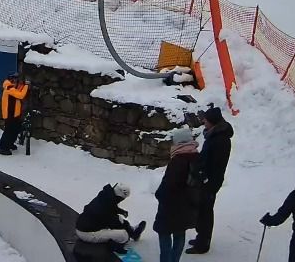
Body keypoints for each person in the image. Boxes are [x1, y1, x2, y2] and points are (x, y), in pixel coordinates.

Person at [187, 107, 233, 255]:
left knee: (205, 212)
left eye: (206, 120)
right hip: (208, 180)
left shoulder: (220, 140)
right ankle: (201, 237)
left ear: (213, 122)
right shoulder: (214, 135)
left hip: (210, 182)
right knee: (202, 210)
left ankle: (203, 244)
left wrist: (202, 175)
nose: (203, 122)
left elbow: (214, 164)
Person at [154, 127, 199, 262]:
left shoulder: (178, 160)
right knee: (180, 232)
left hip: (171, 206)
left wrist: (159, 195)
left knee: (164, 232)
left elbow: (169, 184)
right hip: (188, 204)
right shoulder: (196, 157)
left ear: (179, 142)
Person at [76, 182, 146, 251]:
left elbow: (111, 209)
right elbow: (112, 220)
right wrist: (127, 229)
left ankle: (133, 232)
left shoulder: (105, 196)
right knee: (123, 236)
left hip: (85, 227)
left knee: (118, 220)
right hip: (87, 234)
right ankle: (113, 246)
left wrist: (121, 211)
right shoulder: (106, 206)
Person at [0, 73, 30, 155]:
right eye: (15, 79)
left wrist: (23, 85)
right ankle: (3, 148)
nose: (16, 81)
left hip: (15, 113)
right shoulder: (9, 87)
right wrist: (26, 86)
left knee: (15, 130)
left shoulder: (13, 87)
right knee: (8, 131)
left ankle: (10, 144)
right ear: (11, 79)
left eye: (17, 79)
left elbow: (19, 90)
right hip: (9, 114)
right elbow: (20, 95)